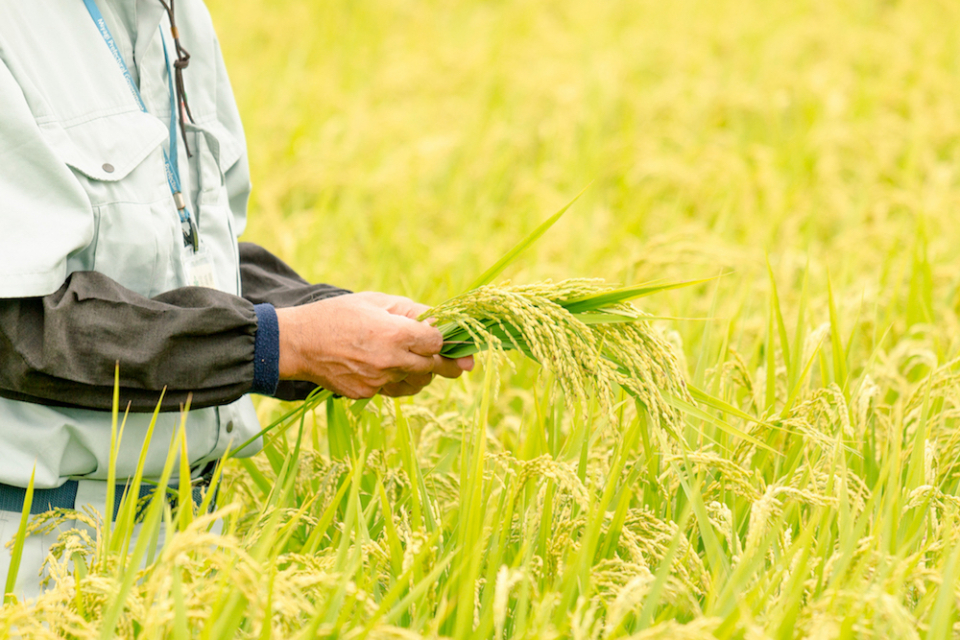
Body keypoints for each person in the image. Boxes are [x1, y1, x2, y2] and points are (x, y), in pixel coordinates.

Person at [0, 0, 473, 599]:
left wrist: (330, 314)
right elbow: (18, 326)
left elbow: (191, 264)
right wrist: (283, 343)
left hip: (192, 544)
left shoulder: (177, 16)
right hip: (29, 555)